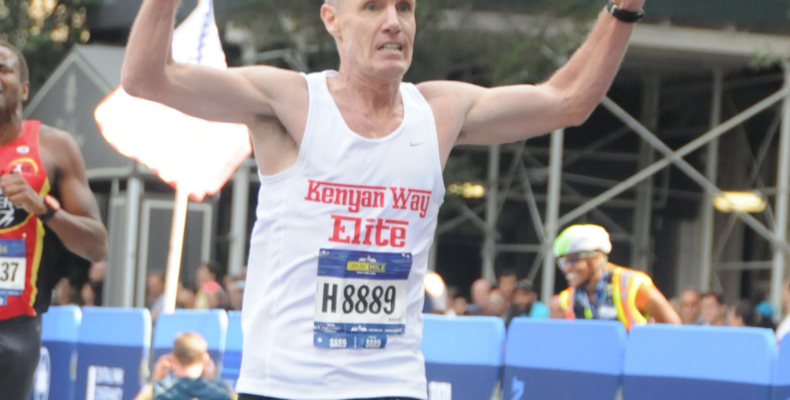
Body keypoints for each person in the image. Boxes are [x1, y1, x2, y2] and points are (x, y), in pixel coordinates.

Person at [122, 0, 649, 396]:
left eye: (405, 7)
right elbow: (147, 79)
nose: (393, 20)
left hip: (392, 384)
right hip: (286, 386)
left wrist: (623, 10)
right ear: (332, 19)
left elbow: (568, 102)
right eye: (372, 6)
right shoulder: (288, 100)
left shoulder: (440, 110)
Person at [0, 41, 108, 400]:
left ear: (25, 87)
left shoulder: (53, 147)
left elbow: (96, 246)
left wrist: (44, 208)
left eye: (3, 69)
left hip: (15, 328)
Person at [555, 224, 680, 331]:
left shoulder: (631, 285)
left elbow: (674, 328)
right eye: (562, 262)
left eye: (572, 260)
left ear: (595, 258)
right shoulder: (567, 299)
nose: (566, 268)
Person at [134, 332, 234, 400]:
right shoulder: (223, 392)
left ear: (173, 359)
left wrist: (154, 381)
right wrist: (212, 381)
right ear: (205, 359)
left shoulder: (158, 391)